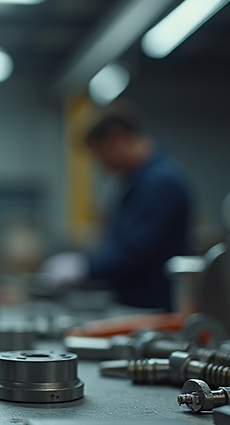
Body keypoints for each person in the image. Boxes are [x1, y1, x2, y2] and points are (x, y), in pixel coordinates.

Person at [40, 103, 191, 310]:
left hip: (153, 309)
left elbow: (135, 251)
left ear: (117, 137)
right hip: (136, 305)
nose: (102, 166)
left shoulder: (160, 182)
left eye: (101, 155)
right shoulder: (137, 182)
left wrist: (85, 267)